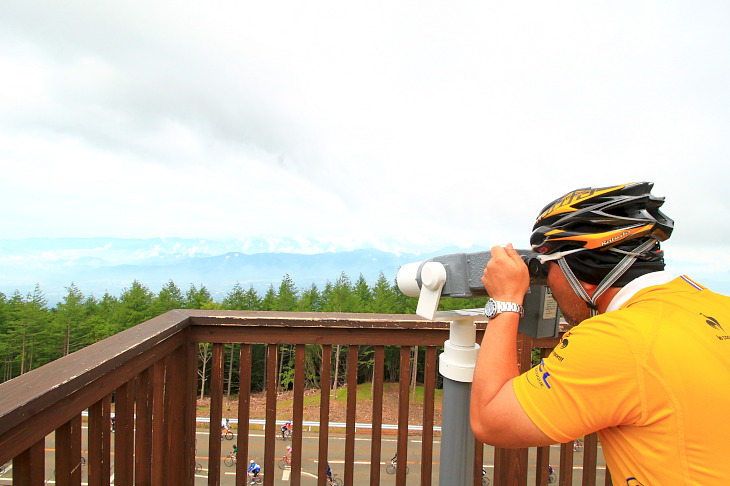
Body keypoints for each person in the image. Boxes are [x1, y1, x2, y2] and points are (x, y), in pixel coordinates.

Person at [469, 182, 730, 484]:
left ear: (579, 270)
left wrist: (506, 299)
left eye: (546, 268)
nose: (549, 284)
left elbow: (491, 420)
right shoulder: (719, 305)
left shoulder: (616, 339)